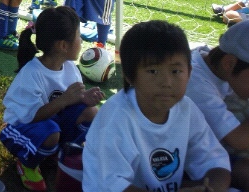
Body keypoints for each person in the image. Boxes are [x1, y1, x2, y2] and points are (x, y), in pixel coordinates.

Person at [83, 20, 231, 192]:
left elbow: (215, 163)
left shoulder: (187, 109)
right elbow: (110, 186)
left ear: (189, 72)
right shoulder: (115, 118)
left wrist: (209, 188)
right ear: (129, 76)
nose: (166, 82)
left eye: (175, 71)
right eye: (153, 71)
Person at [0, 7, 104, 191]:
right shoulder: (32, 73)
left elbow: (72, 103)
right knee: (51, 132)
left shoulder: (70, 68)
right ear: (63, 45)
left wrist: (84, 99)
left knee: (91, 112)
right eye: (78, 36)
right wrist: (64, 100)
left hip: (51, 123)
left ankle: (60, 152)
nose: (81, 41)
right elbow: (31, 117)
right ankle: (27, 163)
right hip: (20, 128)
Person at [185, 21, 249, 190]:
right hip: (187, 162)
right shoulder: (195, 83)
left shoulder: (219, 69)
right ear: (229, 63)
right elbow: (239, 140)